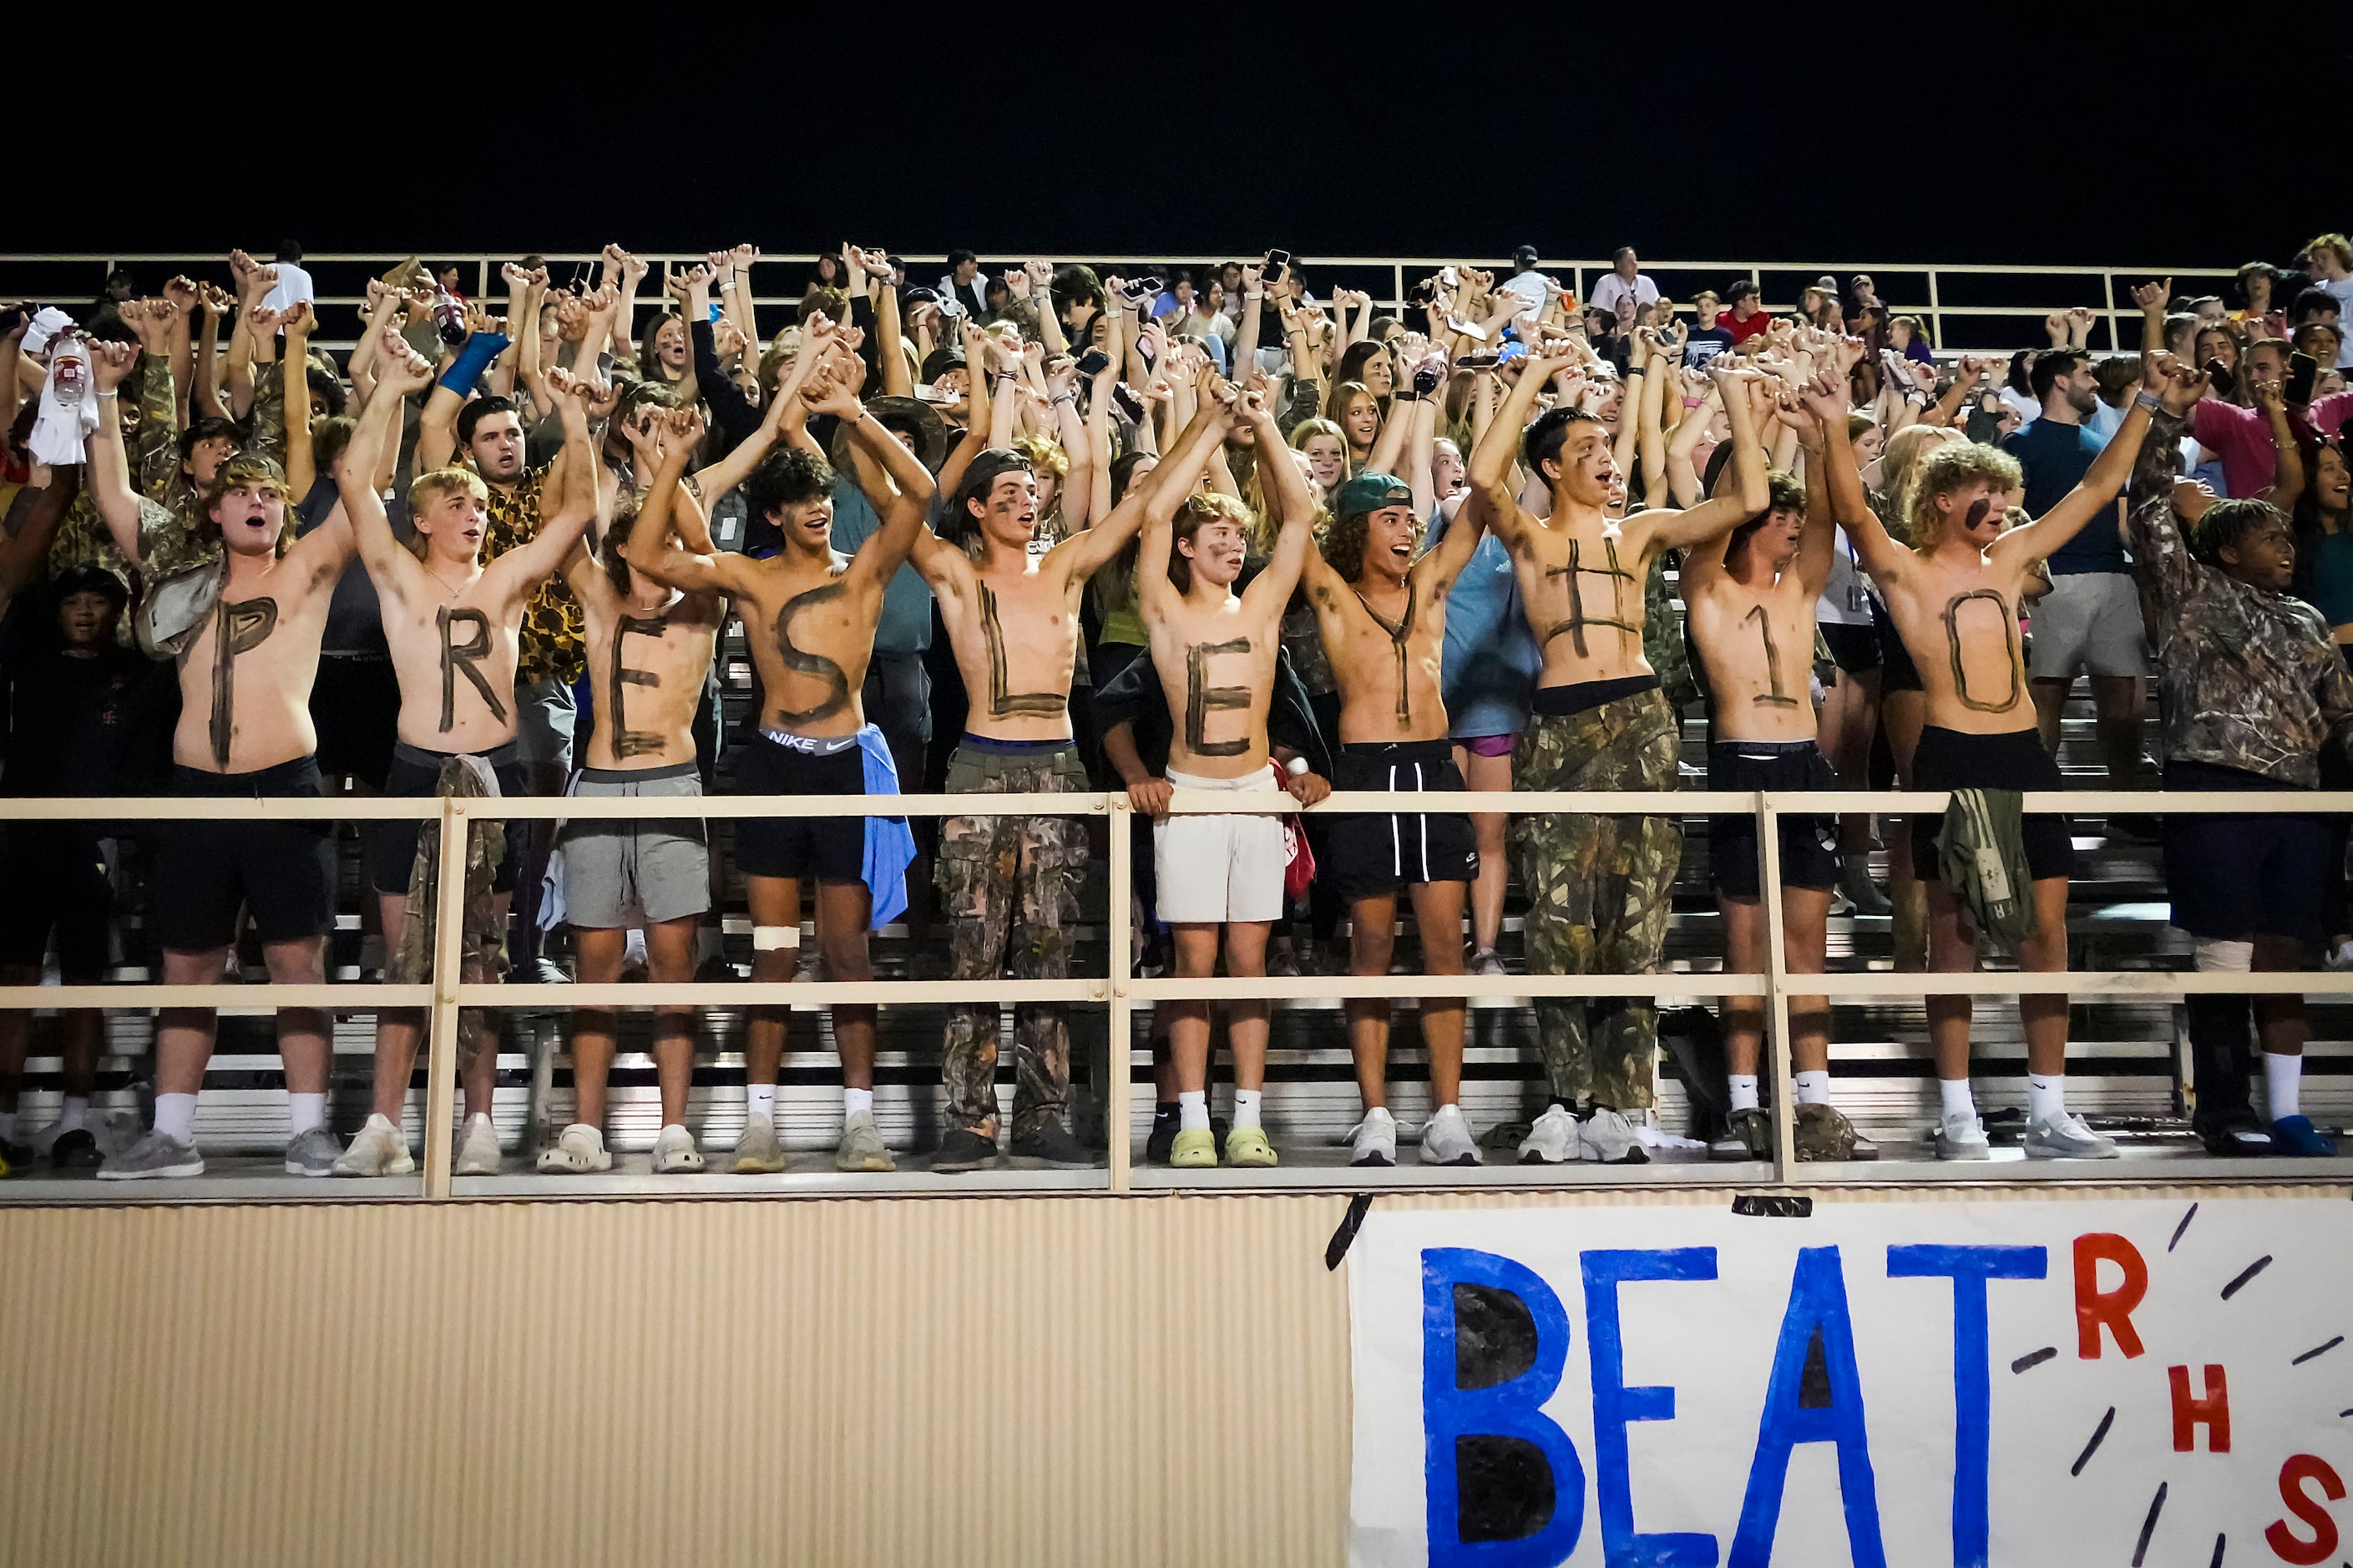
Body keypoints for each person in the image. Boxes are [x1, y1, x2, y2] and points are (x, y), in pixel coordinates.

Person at [1836, 333, 2164, 1161]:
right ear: (1944, 498)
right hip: (1952, 754)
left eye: (2004, 491)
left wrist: (2146, 403)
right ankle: (1956, 1112)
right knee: (1955, 934)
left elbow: (2098, 485)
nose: (2000, 502)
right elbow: (1847, 509)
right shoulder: (1907, 571)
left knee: (2044, 929)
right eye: (1984, 489)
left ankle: (2047, 1112)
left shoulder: (2013, 556)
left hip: (2025, 756)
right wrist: (1819, 426)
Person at [624, 344, 935, 1176]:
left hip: (845, 770)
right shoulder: (748, 578)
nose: (817, 510)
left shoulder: (865, 571)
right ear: (773, 514)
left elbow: (925, 494)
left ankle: (860, 1122)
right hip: (772, 768)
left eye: (820, 498)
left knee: (847, 955)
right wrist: (678, 465)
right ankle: (757, 1125)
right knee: (770, 950)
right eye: (799, 500)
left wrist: (850, 415)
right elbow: (646, 555)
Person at [909, 372, 1229, 1171]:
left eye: (1032, 490)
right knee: (976, 950)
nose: (1028, 500)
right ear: (978, 506)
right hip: (981, 768)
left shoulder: (1067, 567)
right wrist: (859, 416)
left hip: (1055, 765)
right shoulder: (956, 571)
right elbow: (903, 513)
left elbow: (1149, 500)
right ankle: (971, 1120)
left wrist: (1210, 426)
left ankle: (1041, 1118)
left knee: (1049, 950)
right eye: (1008, 490)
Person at [1465, 346, 1767, 1165]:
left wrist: (1733, 391)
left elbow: (1750, 496)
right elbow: (1482, 475)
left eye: (1610, 451)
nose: (1608, 463)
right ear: (1553, 469)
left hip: (1639, 720)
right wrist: (1532, 377)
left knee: (1634, 923)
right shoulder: (1527, 537)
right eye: (1589, 454)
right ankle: (1567, 1101)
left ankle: (1624, 1106)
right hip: (1559, 725)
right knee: (1560, 925)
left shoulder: (1639, 534)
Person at [80, 340, 357, 1181]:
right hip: (198, 791)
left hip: (285, 790)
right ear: (213, 510)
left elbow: (363, 489)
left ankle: (310, 1129)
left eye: (270, 496)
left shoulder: (308, 570)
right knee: (188, 963)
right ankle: (172, 1134)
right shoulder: (183, 577)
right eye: (241, 493)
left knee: (296, 961)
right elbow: (115, 497)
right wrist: (99, 393)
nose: (259, 505)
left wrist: (388, 389)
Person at [330, 331, 598, 1179]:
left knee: (480, 957)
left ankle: (478, 1121)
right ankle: (383, 1123)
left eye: (477, 507)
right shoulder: (401, 578)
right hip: (416, 775)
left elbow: (578, 511)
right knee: (407, 960)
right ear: (422, 518)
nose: (472, 515)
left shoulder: (508, 578)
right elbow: (349, 483)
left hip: (495, 776)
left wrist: (577, 422)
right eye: (455, 505)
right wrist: (390, 393)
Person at [2128, 367, 2348, 1157]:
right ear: (2225, 546)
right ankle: (2223, 1109)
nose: (2286, 547)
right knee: (2224, 950)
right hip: (2211, 785)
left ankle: (2288, 1111)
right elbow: (2151, 501)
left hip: (2301, 797)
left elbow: (2343, 717)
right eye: (2269, 537)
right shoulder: (2186, 589)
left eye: (2289, 538)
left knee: (2286, 948)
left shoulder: (2307, 617)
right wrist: (2163, 418)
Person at [1129, 378, 1324, 1169]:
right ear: (1187, 546)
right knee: (1193, 965)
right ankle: (1192, 1120)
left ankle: (1248, 1118)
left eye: (1239, 538)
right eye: (1216, 535)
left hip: (1254, 794)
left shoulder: (1264, 607)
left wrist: (1266, 422)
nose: (1233, 546)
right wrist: (1211, 424)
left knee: (1249, 961)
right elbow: (1148, 514)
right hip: (1190, 796)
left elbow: (1302, 515)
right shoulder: (1166, 611)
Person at [1683, 374, 1874, 1162]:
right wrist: (1747, 412)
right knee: (1745, 942)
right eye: (1780, 515)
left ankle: (1816, 1101)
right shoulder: (1708, 586)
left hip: (1801, 764)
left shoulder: (1801, 589)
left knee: (1807, 944)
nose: (1795, 525)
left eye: (1796, 516)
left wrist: (1826, 429)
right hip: (1739, 764)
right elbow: (1720, 506)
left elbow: (1832, 514)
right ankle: (1739, 1105)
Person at [539, 409, 728, 1176]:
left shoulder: (701, 609)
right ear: (623, 549)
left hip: (672, 786)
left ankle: (673, 1127)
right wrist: (574, 420)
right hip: (600, 787)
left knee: (675, 964)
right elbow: (571, 514)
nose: (668, 555)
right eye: (650, 543)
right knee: (595, 964)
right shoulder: (599, 598)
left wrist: (669, 464)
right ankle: (585, 1129)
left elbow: (708, 551)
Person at [1297, 452, 1487, 1168]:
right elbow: (1292, 520)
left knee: (1445, 948)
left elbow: (1481, 501)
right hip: (1366, 771)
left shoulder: (1432, 585)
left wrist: (1532, 380)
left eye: (1411, 516)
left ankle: (1448, 1114)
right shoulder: (1337, 598)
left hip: (1433, 769)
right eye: (1390, 518)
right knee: (1370, 948)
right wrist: (1249, 428)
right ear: (1356, 532)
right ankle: (1374, 1112)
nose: (1408, 528)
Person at [0, 559, 156, 1170]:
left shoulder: (135, 675)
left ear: (118, 610)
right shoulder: (25, 662)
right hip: (23, 840)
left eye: (99, 600)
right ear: (56, 610)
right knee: (13, 985)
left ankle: (75, 1126)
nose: (86, 610)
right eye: (74, 602)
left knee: (87, 988)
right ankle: (5, 1124)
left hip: (96, 846)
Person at [2005, 346, 2146, 792]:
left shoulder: (2104, 446)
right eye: (2086, 374)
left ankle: (2126, 806)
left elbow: (2123, 527)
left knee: (2124, 701)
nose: (2096, 383)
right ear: (2061, 382)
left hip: (2114, 581)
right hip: (2053, 584)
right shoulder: (2020, 443)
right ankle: (2044, 805)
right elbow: (2010, 519)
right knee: (2047, 696)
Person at [1586, 247, 1657, 321]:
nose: (1635, 264)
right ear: (1619, 266)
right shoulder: (1605, 282)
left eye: (1635, 260)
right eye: (1630, 261)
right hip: (1613, 330)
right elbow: (1594, 313)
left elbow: (1657, 309)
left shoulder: (1647, 282)